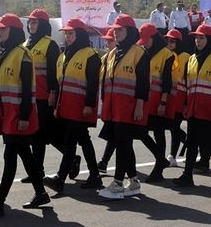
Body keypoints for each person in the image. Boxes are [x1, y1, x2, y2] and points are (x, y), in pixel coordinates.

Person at [0, 13, 50, 217]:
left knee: (10, 155)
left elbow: (27, 90)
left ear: (12, 31)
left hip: (18, 115)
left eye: (3, 29)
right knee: (25, 153)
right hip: (6, 113)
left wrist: (24, 117)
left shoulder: (22, 55)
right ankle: (41, 192)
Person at [43, 19, 103, 193]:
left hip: (80, 107)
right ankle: (95, 176)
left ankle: (60, 179)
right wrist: (54, 99)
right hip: (65, 107)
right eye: (66, 33)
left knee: (70, 142)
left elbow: (93, 84)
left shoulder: (90, 55)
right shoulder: (63, 55)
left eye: (71, 33)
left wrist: (89, 105)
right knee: (83, 140)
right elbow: (58, 82)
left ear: (80, 34)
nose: (67, 37)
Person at [21, 9, 79, 182]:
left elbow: (54, 72)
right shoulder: (26, 44)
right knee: (36, 136)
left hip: (44, 96)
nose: (31, 25)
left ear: (43, 25)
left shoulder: (49, 44)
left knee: (47, 134)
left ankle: (71, 159)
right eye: (30, 22)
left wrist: (53, 93)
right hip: (29, 97)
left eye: (35, 22)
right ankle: (37, 171)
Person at [173, 24, 211, 187]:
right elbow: (186, 85)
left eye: (201, 38)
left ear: (210, 40)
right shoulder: (191, 59)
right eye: (196, 38)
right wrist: (185, 104)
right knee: (192, 142)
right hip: (194, 108)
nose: (198, 41)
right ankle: (187, 175)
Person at [98, 14, 150, 199]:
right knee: (124, 144)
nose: (116, 32)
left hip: (129, 107)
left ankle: (118, 183)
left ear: (129, 31)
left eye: (120, 29)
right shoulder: (112, 53)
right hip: (115, 108)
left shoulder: (139, 53)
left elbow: (144, 84)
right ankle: (134, 181)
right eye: (115, 29)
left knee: (122, 144)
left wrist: (139, 107)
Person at [135, 23, 175, 183]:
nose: (144, 43)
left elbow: (167, 81)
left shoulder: (167, 55)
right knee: (141, 133)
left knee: (159, 133)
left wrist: (163, 102)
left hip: (159, 101)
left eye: (147, 39)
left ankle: (158, 168)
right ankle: (161, 159)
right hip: (146, 100)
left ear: (154, 37)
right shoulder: (144, 52)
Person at [165, 29, 190, 168]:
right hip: (171, 96)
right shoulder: (168, 55)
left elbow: (187, 78)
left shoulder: (185, 56)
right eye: (168, 41)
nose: (169, 43)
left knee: (174, 126)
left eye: (172, 41)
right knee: (171, 126)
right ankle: (188, 141)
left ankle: (172, 155)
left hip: (181, 97)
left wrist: (186, 101)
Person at [96, 28, 117, 174]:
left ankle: (104, 161)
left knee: (118, 137)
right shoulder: (106, 58)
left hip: (119, 104)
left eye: (110, 40)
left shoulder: (121, 57)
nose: (107, 43)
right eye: (107, 40)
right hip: (108, 102)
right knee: (115, 136)